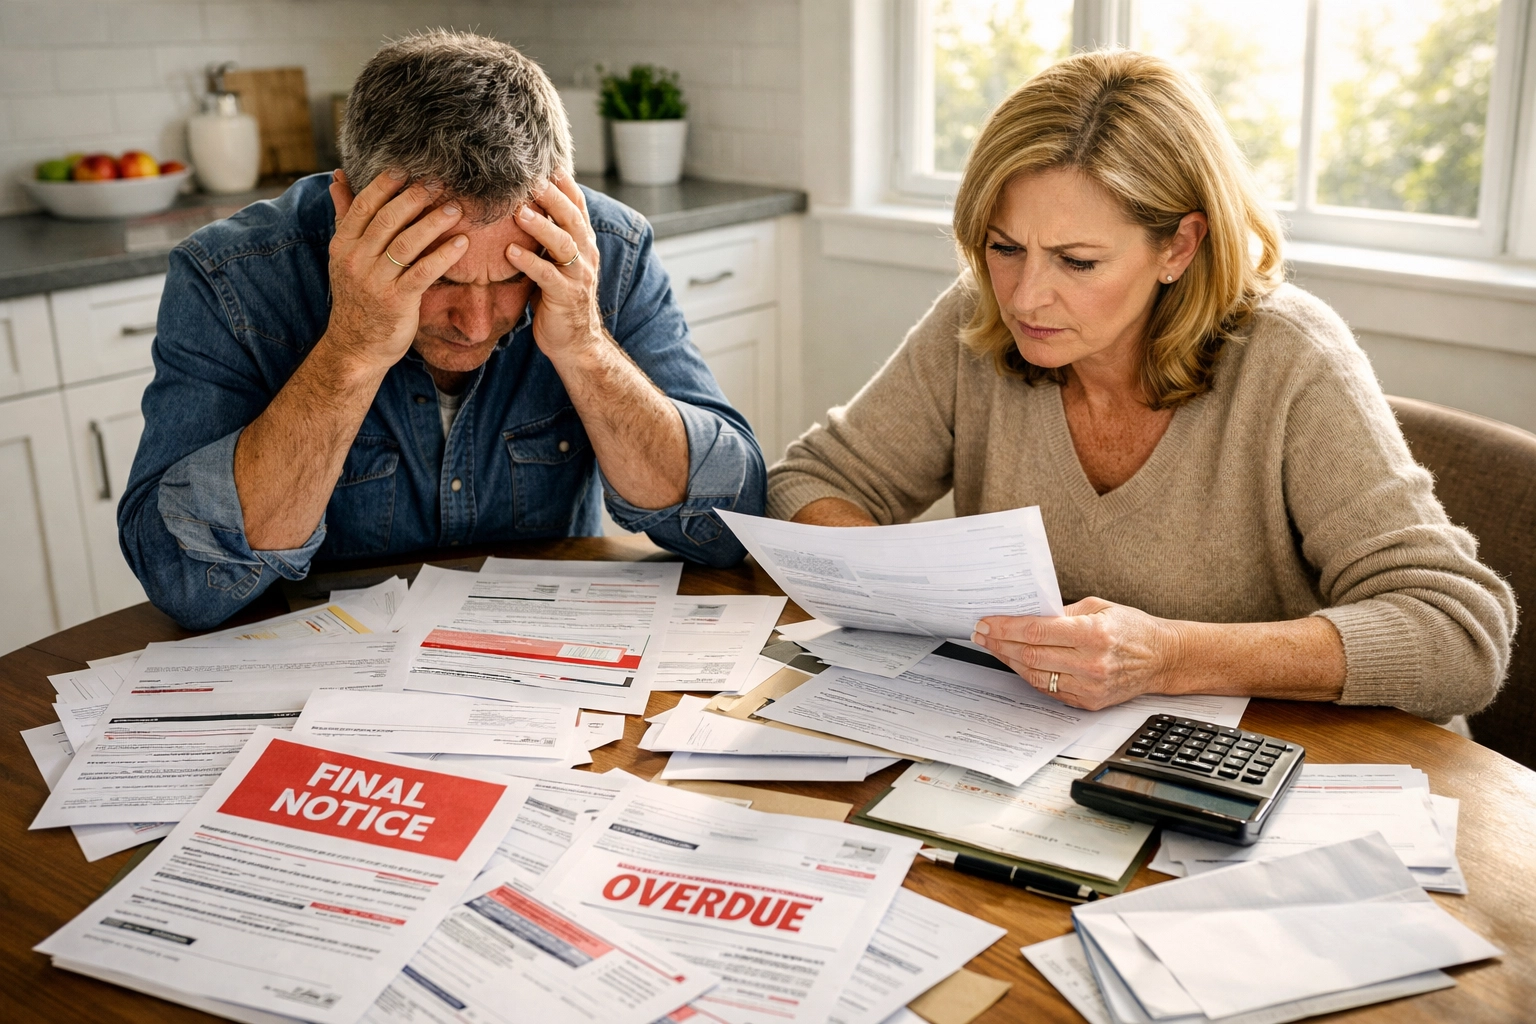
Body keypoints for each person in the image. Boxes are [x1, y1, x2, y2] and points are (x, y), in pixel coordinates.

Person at [768, 50, 1515, 722]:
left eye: (1077, 261)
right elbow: (810, 481)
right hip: (1049, 751)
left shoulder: (1289, 356)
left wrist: (1170, 656)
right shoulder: (980, 317)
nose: (1025, 297)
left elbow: (1456, 633)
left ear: (1179, 247)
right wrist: (922, 597)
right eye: (1004, 247)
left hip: (1286, 772)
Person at [120, 31, 765, 629]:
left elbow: (728, 526)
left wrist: (588, 349)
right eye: (440, 280)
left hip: (542, 667)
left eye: (511, 277)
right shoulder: (231, 277)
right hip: (320, 680)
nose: (476, 324)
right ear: (351, 211)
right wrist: (352, 349)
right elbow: (184, 581)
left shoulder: (606, 251)